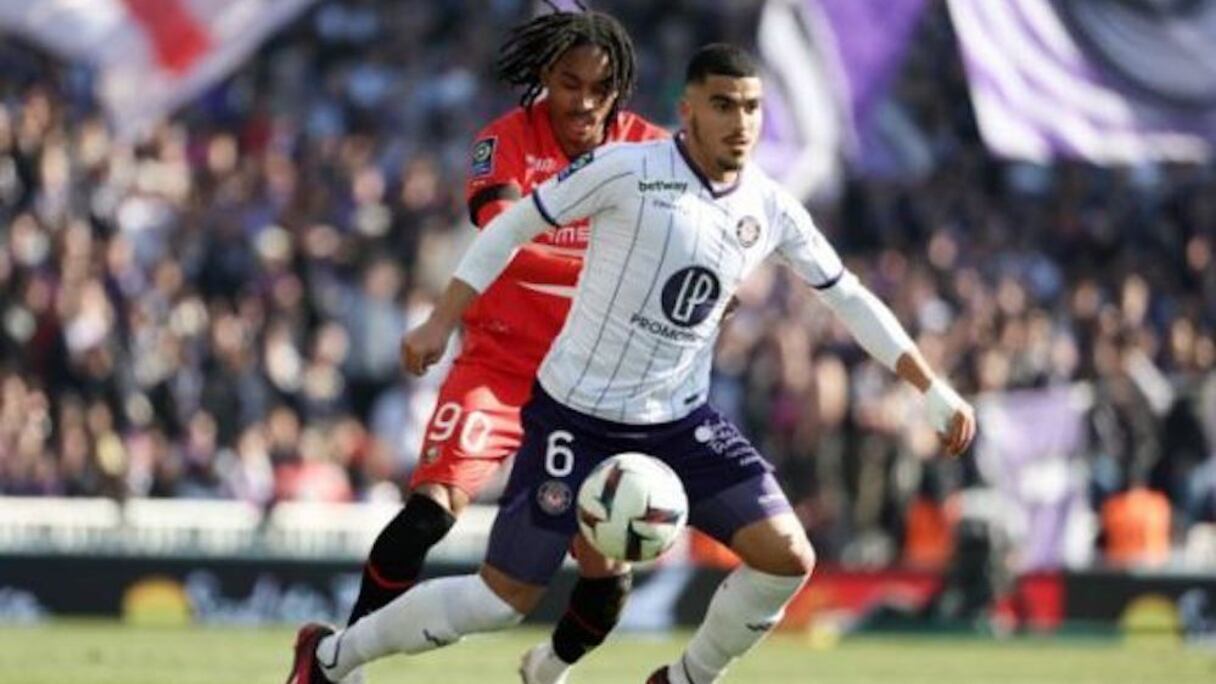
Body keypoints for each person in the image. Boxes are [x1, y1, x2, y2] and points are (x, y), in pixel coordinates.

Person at [288, 43, 976, 684]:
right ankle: (330, 655)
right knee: (503, 599)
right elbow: (513, 224)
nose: (740, 122)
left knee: (788, 558)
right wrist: (443, 318)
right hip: (574, 419)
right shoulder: (628, 170)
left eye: (752, 106)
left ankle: (682, 680)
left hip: (679, 423)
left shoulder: (770, 207)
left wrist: (932, 388)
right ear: (688, 108)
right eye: (722, 104)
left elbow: (849, 298)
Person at [287, 7, 668, 684]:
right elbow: (503, 233)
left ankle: (547, 668)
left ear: (620, 88)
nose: (582, 101)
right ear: (543, 75)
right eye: (568, 81)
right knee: (428, 514)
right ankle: (342, 660)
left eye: (599, 87)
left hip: (593, 387)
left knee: (609, 570)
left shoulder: (650, 152)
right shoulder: (506, 141)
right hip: (500, 364)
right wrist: (609, 270)